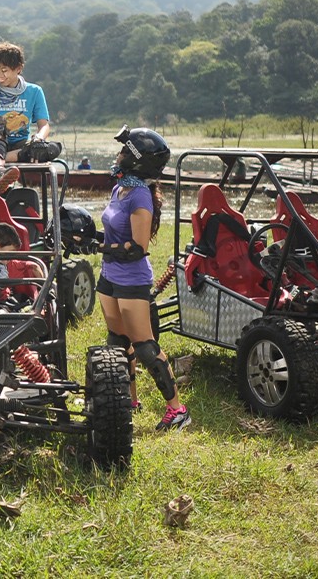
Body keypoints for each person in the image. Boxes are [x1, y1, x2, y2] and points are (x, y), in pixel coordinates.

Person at [97, 125, 189, 431]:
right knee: (117, 342)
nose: (119, 154)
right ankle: (130, 401)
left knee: (145, 346)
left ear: (136, 160)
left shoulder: (139, 196)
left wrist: (100, 247)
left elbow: (137, 248)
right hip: (109, 275)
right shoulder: (119, 188)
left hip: (131, 279)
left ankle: (177, 410)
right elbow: (112, 233)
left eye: (125, 150)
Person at [0, 41, 57, 194]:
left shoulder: (35, 91)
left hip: (20, 144)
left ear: (18, 69)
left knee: (52, 148)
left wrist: (38, 138)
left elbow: (44, 125)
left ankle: (1, 157)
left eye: (4, 70)